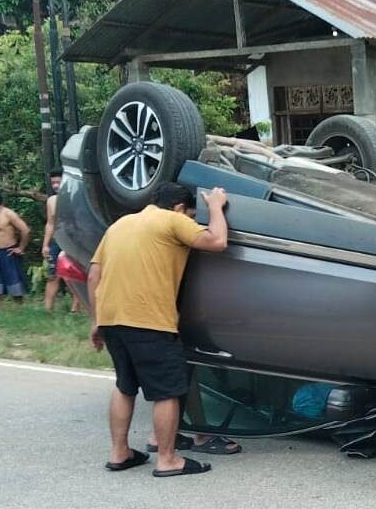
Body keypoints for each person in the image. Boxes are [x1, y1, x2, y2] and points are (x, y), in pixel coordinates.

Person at [88, 182, 241, 476]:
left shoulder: (121, 224)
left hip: (112, 319)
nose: (191, 221)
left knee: (125, 385)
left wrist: (96, 320)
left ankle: (120, 453)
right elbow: (217, 242)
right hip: (148, 320)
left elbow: (94, 274)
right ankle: (168, 459)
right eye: (191, 214)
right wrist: (214, 207)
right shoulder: (173, 220)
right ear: (180, 207)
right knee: (167, 391)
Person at [41, 170, 81, 313]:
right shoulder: (51, 201)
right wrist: (45, 244)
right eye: (53, 183)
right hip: (56, 241)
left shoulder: (76, 197)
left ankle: (75, 308)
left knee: (73, 275)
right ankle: (47, 310)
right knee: (52, 275)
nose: (56, 186)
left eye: (59, 182)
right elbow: (50, 223)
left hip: (73, 241)